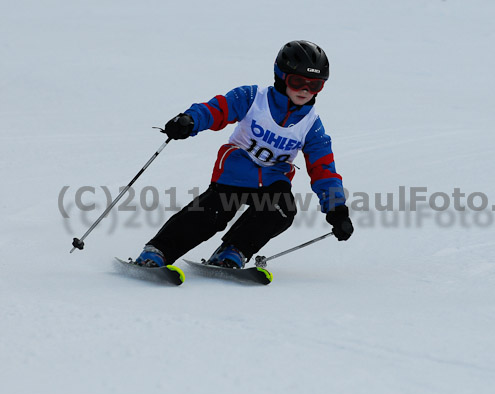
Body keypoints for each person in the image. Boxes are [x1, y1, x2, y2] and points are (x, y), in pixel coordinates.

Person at [135, 40, 354, 269]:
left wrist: (337, 210)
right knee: (212, 214)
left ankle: (232, 251)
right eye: (298, 81)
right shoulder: (252, 98)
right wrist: (190, 121)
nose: (305, 90)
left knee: (281, 211)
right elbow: (217, 109)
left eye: (315, 85)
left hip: (273, 180)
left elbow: (323, 170)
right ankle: (158, 251)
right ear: (281, 77)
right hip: (235, 171)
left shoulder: (312, 126)